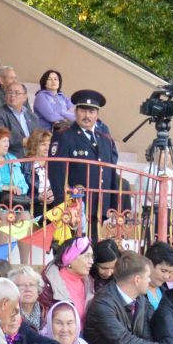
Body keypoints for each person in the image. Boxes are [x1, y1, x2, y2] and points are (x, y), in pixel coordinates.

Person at [48, 90, 119, 242]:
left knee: (92, 249)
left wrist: (113, 204)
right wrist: (63, 204)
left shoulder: (105, 139)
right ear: (75, 111)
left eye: (91, 111)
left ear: (97, 114)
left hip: (99, 205)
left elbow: (111, 172)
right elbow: (56, 172)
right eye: (83, 110)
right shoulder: (64, 135)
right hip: (74, 206)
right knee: (72, 250)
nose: (87, 115)